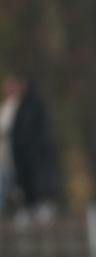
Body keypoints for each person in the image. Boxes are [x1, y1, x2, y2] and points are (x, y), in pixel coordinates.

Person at [1, 74, 63, 224]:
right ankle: (25, 208)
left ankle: (39, 207)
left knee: (35, 184)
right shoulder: (10, 106)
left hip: (32, 156)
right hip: (12, 157)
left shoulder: (32, 106)